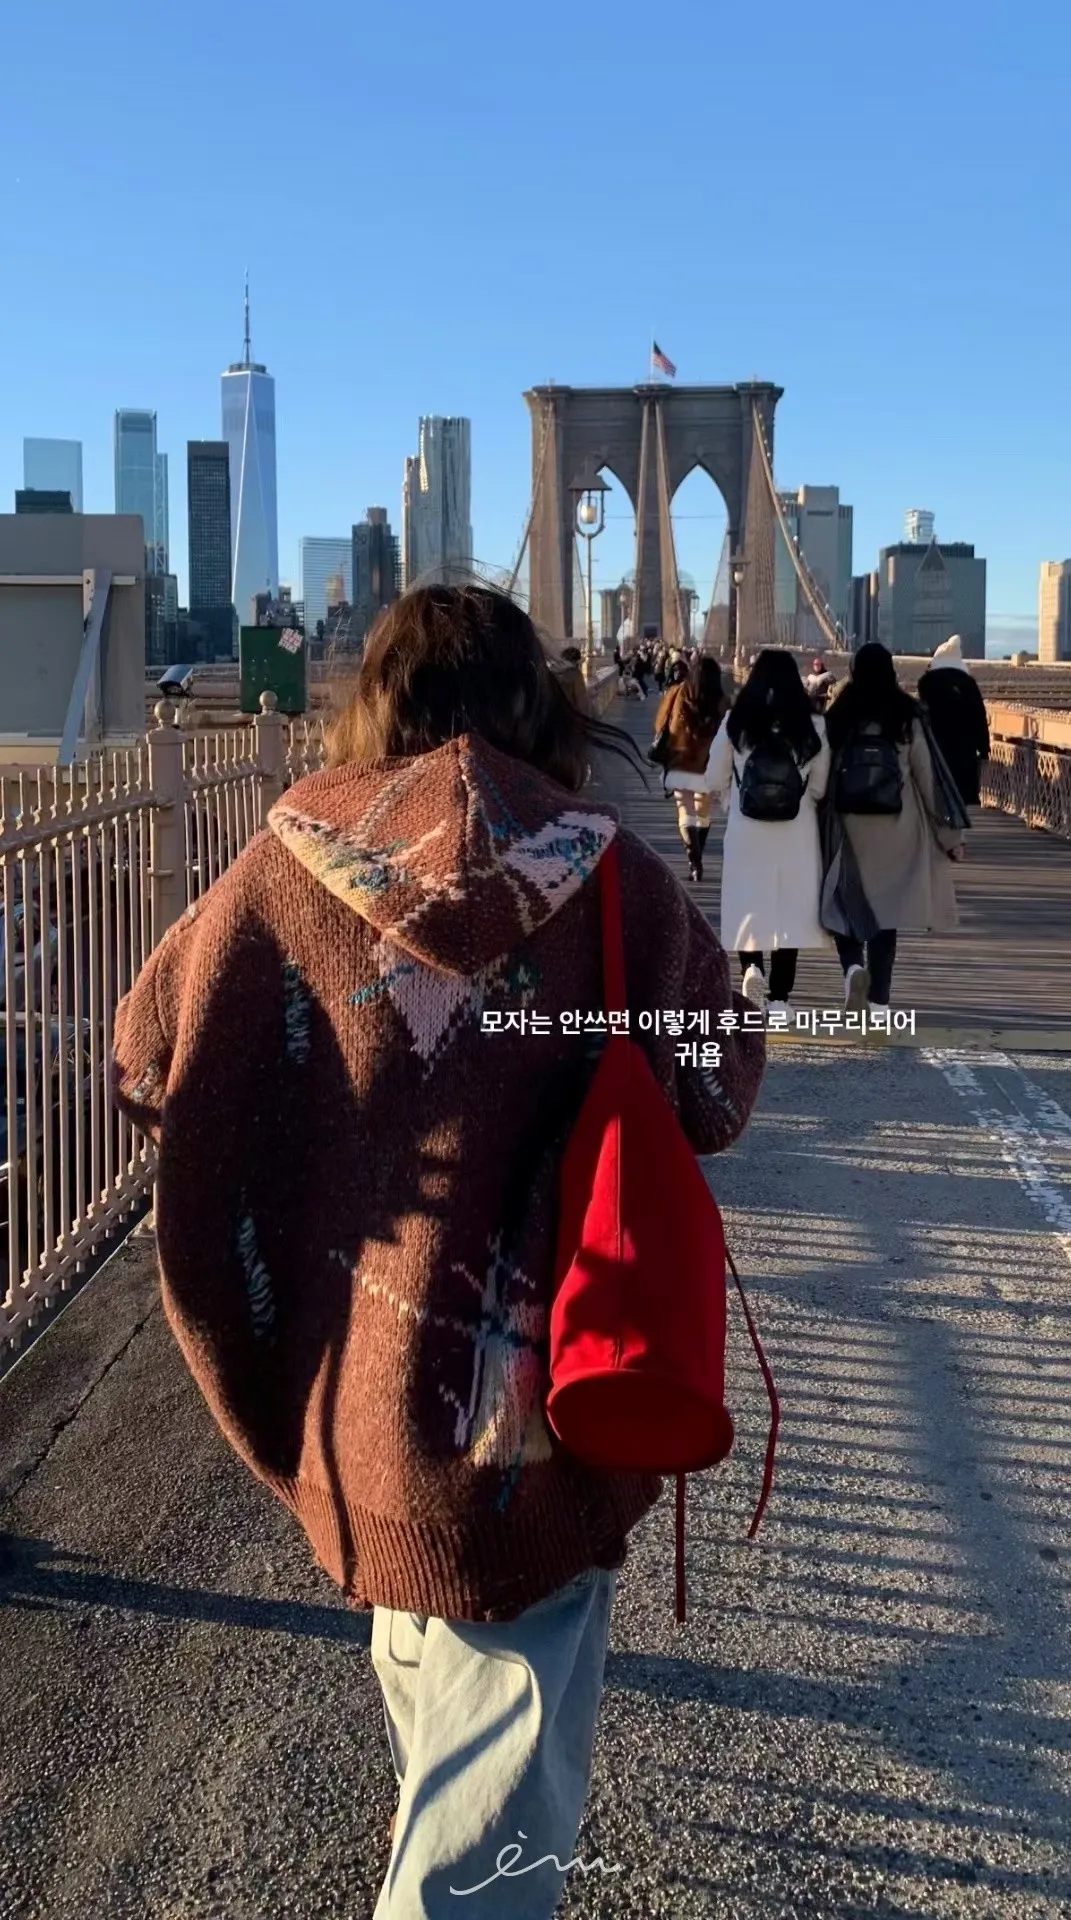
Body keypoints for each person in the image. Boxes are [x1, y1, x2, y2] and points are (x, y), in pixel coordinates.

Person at [110, 582, 765, 1920]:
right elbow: (718, 1090)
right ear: (541, 704)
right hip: (540, 1430)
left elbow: (141, 1057)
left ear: (375, 706)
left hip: (352, 1410)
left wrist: (315, 1107)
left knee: (436, 1724)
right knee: (477, 1850)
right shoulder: (610, 878)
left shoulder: (281, 868)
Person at [823, 642, 965, 1012]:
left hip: (847, 829)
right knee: (886, 916)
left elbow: (822, 776)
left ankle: (852, 967)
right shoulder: (906, 716)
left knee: (843, 904)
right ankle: (879, 1001)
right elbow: (930, 782)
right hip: (897, 828)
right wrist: (951, 837)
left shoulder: (839, 715)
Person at [704, 649, 831, 1015]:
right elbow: (819, 787)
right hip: (797, 830)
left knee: (749, 902)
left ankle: (751, 971)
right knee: (790, 911)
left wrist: (732, 800)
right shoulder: (814, 724)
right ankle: (779, 999)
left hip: (746, 829)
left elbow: (713, 777)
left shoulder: (736, 722)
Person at [652, 657, 731, 882]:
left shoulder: (676, 693)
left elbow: (660, 724)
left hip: (680, 760)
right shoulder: (723, 701)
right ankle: (698, 857)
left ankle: (695, 864)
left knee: (685, 811)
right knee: (703, 811)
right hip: (708, 765)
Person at [916, 634, 990, 807]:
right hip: (965, 748)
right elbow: (979, 717)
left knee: (936, 790)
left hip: (936, 745)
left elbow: (920, 715)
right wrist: (984, 748)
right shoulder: (968, 683)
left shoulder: (926, 683)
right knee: (963, 792)